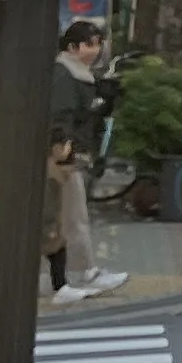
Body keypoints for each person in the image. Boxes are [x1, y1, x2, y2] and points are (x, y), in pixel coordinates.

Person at [44, 23, 129, 305]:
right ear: (73, 47)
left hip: (70, 155)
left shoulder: (78, 74)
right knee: (70, 217)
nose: (95, 50)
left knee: (67, 217)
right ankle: (80, 275)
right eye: (90, 44)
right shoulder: (65, 74)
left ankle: (76, 276)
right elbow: (62, 113)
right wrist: (61, 146)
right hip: (62, 159)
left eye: (98, 44)